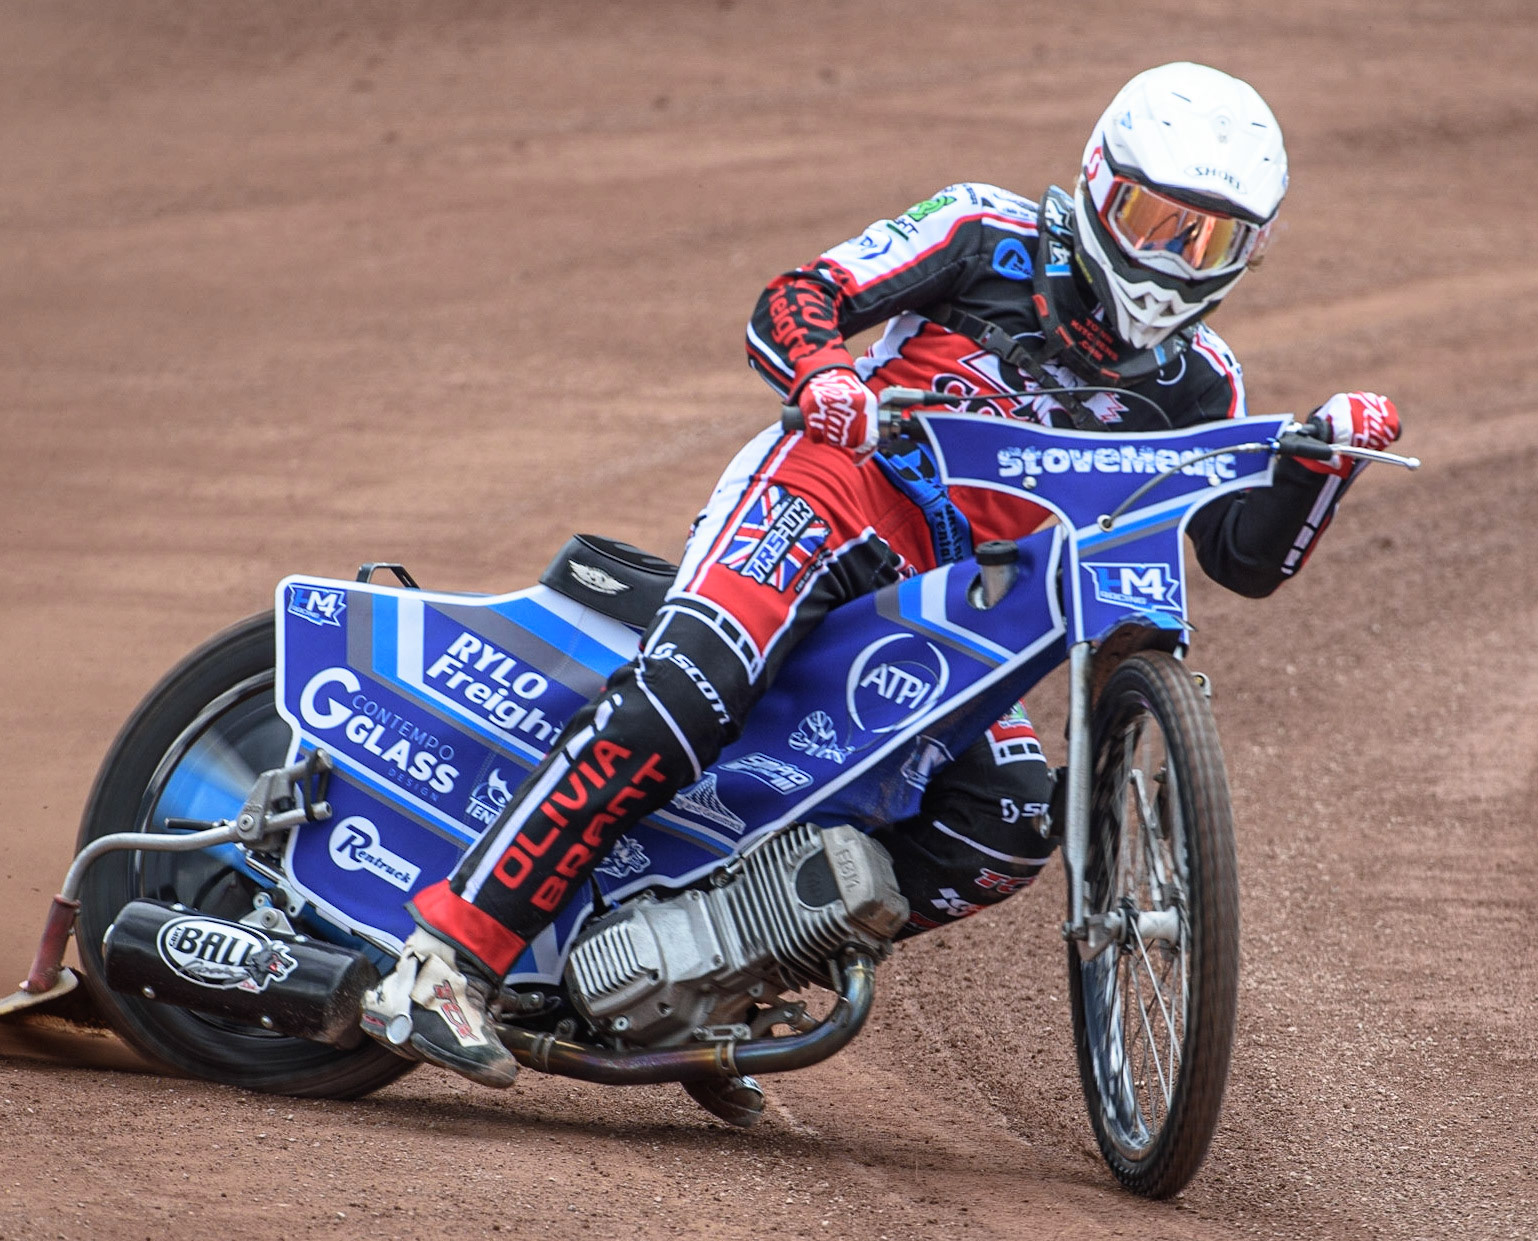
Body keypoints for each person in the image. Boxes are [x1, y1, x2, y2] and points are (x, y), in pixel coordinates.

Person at [359, 62, 1401, 1095]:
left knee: (1002, 821)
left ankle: (716, 968)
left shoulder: (1203, 380)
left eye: (1206, 239)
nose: (1170, 259)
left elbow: (1240, 558)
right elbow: (799, 295)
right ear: (1094, 182)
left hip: (954, 606)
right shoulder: (981, 229)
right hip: (829, 497)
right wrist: (826, 374)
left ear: (1250, 254)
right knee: (692, 690)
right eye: (1150, 219)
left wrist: (1320, 463)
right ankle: (445, 958)